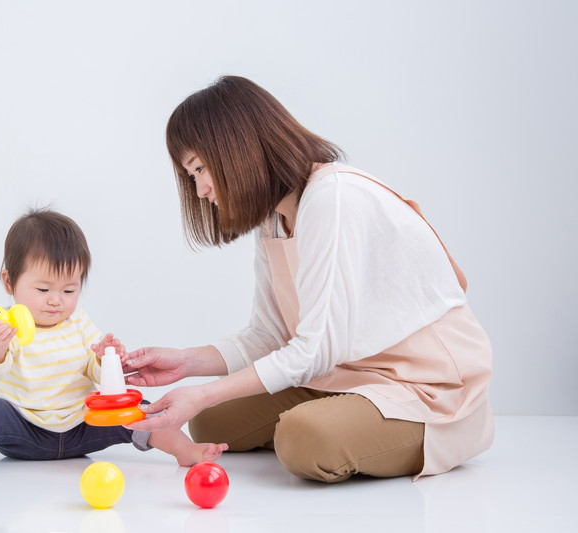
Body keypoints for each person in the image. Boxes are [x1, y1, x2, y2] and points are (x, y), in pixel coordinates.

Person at [123, 76, 493, 483]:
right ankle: (343, 415)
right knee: (211, 422)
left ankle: (446, 432)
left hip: (427, 386)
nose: (200, 190)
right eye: (191, 175)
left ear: (237, 148)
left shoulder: (332, 197)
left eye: (200, 169)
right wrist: (186, 363)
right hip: (344, 375)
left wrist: (205, 391)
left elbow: (315, 348)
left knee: (302, 440)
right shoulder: (274, 218)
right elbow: (269, 335)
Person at [0, 208, 227, 480]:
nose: (55, 301)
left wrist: (107, 359)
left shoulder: (80, 324)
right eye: (43, 288)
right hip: (24, 430)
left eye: (68, 290)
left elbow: (95, 374)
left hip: (83, 425)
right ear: (9, 282)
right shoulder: (4, 325)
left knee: (132, 406)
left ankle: (185, 450)